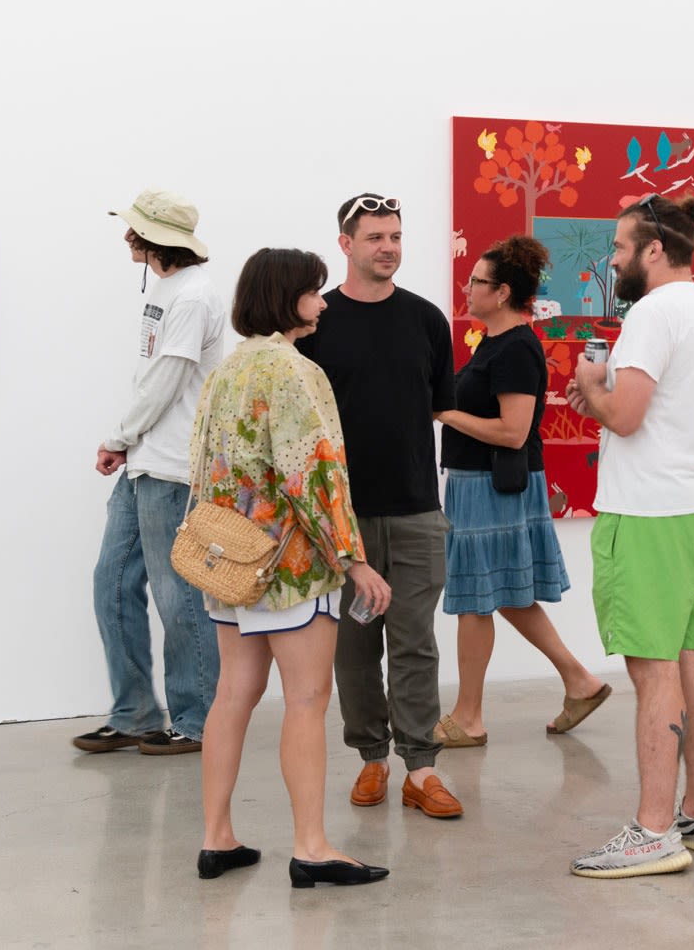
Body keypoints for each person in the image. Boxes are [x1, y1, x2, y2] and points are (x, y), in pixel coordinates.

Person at [190, 247, 393, 887]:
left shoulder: (226, 371)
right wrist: (352, 559)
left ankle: (217, 838)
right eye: (313, 291)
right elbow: (317, 477)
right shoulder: (295, 372)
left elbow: (201, 468)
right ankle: (311, 847)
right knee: (306, 700)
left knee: (232, 696)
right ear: (287, 298)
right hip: (291, 565)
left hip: (228, 560)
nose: (324, 301)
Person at [566, 194, 694, 878]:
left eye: (619, 248)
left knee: (652, 667)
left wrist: (592, 387)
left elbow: (630, 416)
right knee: (692, 653)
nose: (612, 260)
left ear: (653, 250)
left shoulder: (650, 314)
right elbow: (658, 409)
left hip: (647, 512)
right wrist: (609, 400)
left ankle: (652, 828)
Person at [295, 195, 463, 819]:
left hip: (418, 508)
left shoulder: (425, 319)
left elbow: (436, 408)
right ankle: (372, 757)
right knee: (356, 649)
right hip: (345, 516)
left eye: (395, 235)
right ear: (345, 243)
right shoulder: (317, 323)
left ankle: (421, 768)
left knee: (416, 642)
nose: (387, 246)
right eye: (373, 237)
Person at [432, 235, 610, 748]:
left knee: (476, 601)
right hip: (481, 484)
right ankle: (580, 681)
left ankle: (468, 717)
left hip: (493, 486)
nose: (467, 289)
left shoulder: (514, 349)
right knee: (503, 595)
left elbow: (514, 431)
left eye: (477, 282)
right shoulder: (497, 344)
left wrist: (444, 413)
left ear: (503, 291)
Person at [74, 190, 225, 757]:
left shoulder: (194, 296)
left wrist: (118, 437)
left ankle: (198, 720)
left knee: (178, 596)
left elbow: (165, 381)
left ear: (156, 238)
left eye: (133, 229)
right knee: (111, 583)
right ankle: (136, 714)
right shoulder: (168, 289)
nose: (125, 237)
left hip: (173, 468)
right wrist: (128, 445)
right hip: (145, 464)